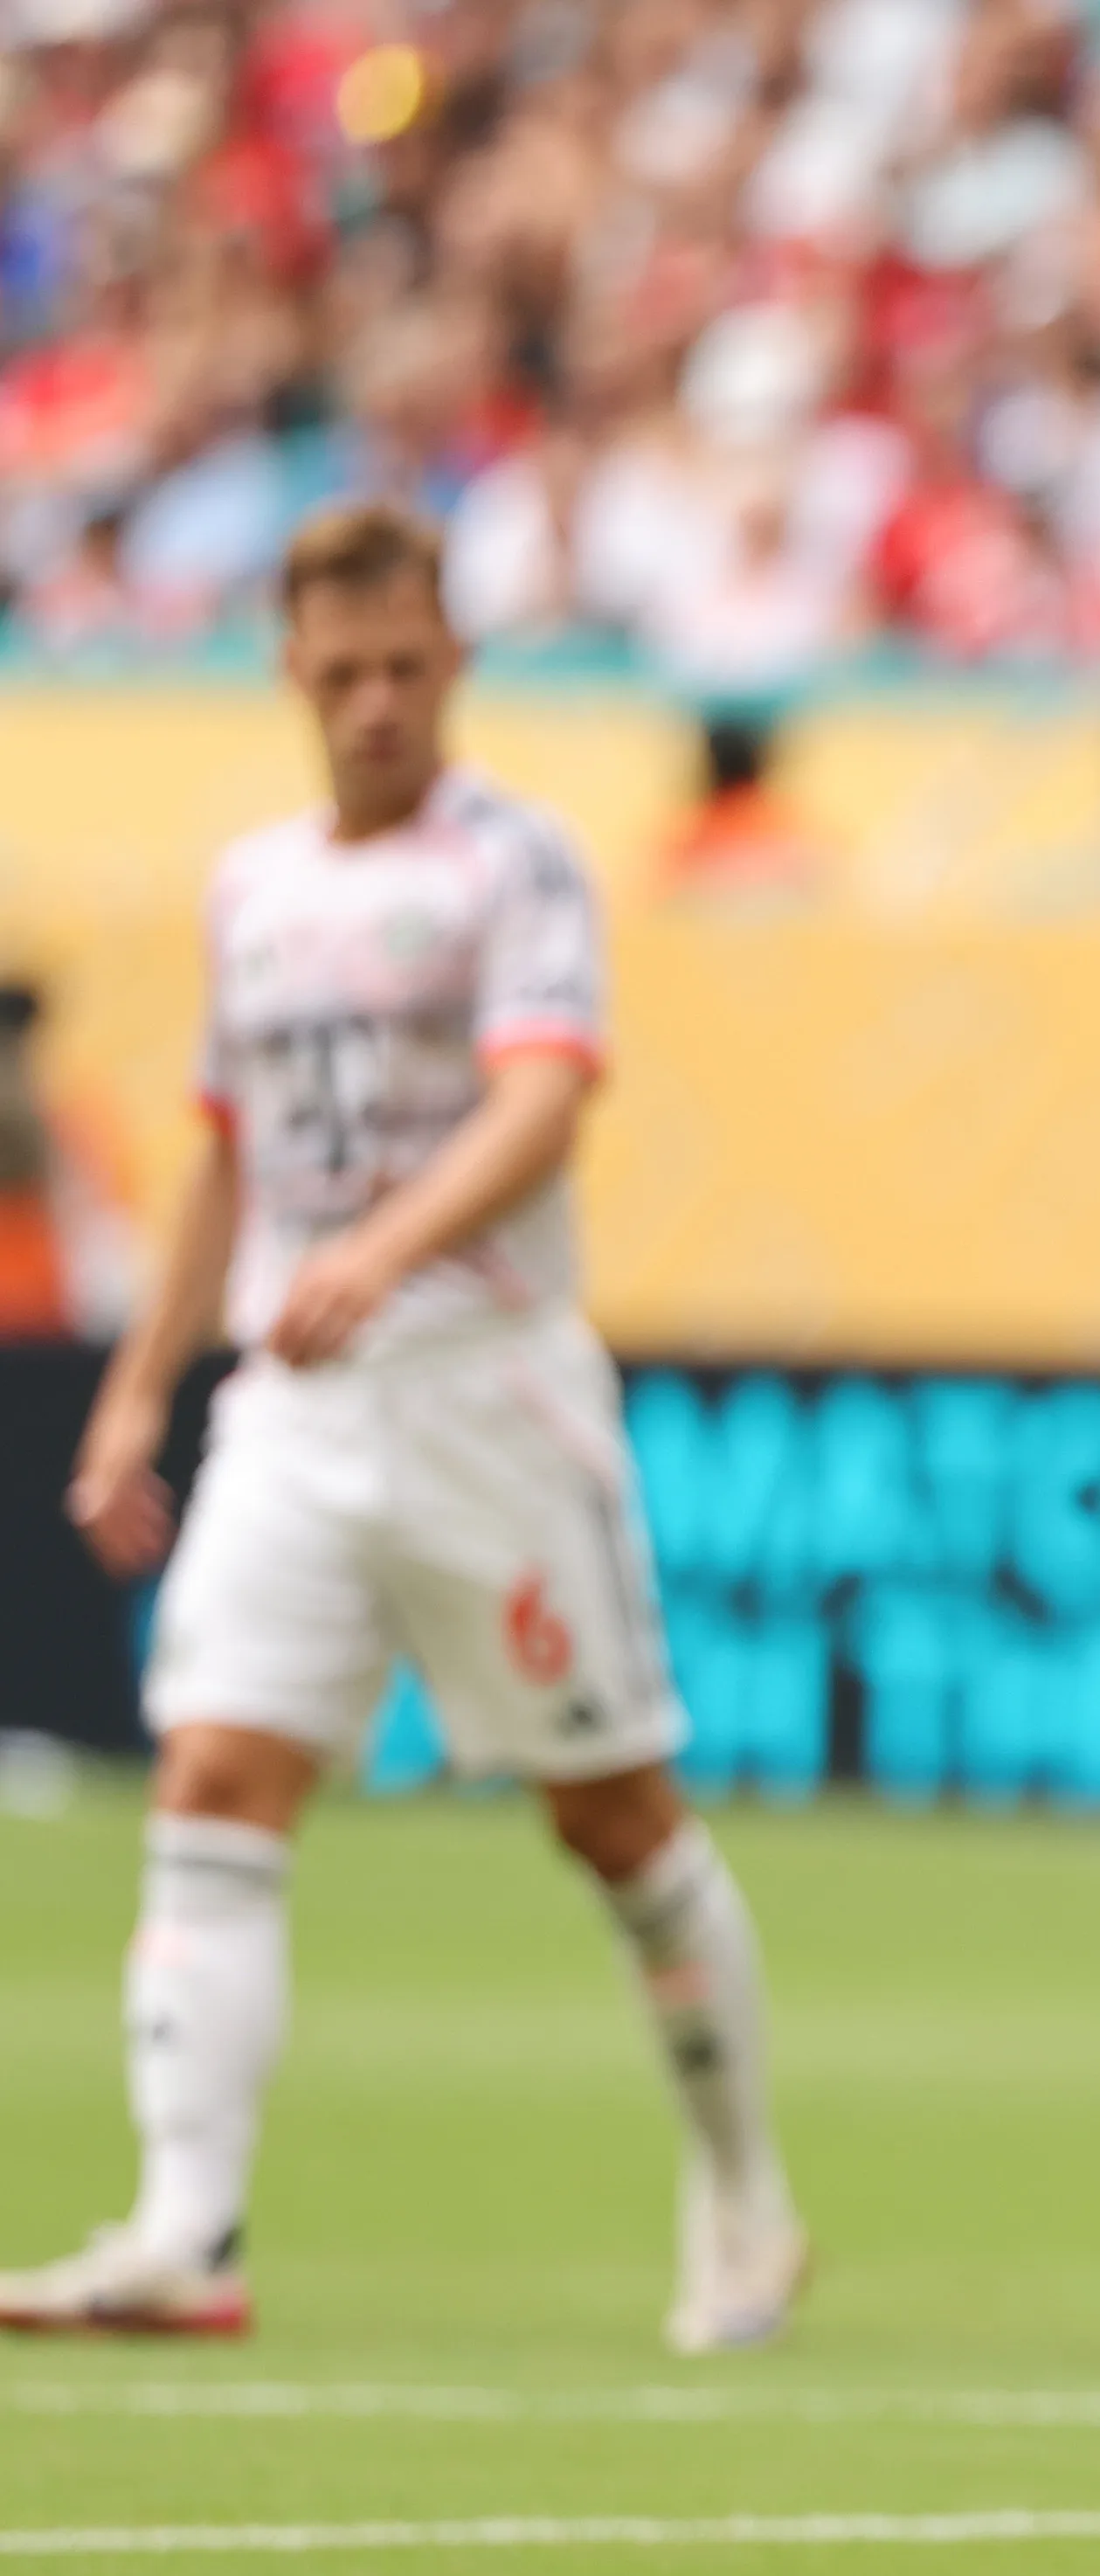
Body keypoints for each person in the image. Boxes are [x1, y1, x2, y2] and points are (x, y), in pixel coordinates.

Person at [0, 502, 806, 2356]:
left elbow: (541, 1102)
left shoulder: (516, 863)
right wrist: (140, 1389)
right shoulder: (253, 888)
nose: (376, 702)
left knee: (611, 1816)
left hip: (484, 1392)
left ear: (456, 663)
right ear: (291, 668)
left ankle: (743, 2191)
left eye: (406, 668)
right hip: (297, 1409)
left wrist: (377, 1250)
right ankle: (185, 2229)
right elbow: (226, 1149)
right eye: (344, 670)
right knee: (215, 1774)